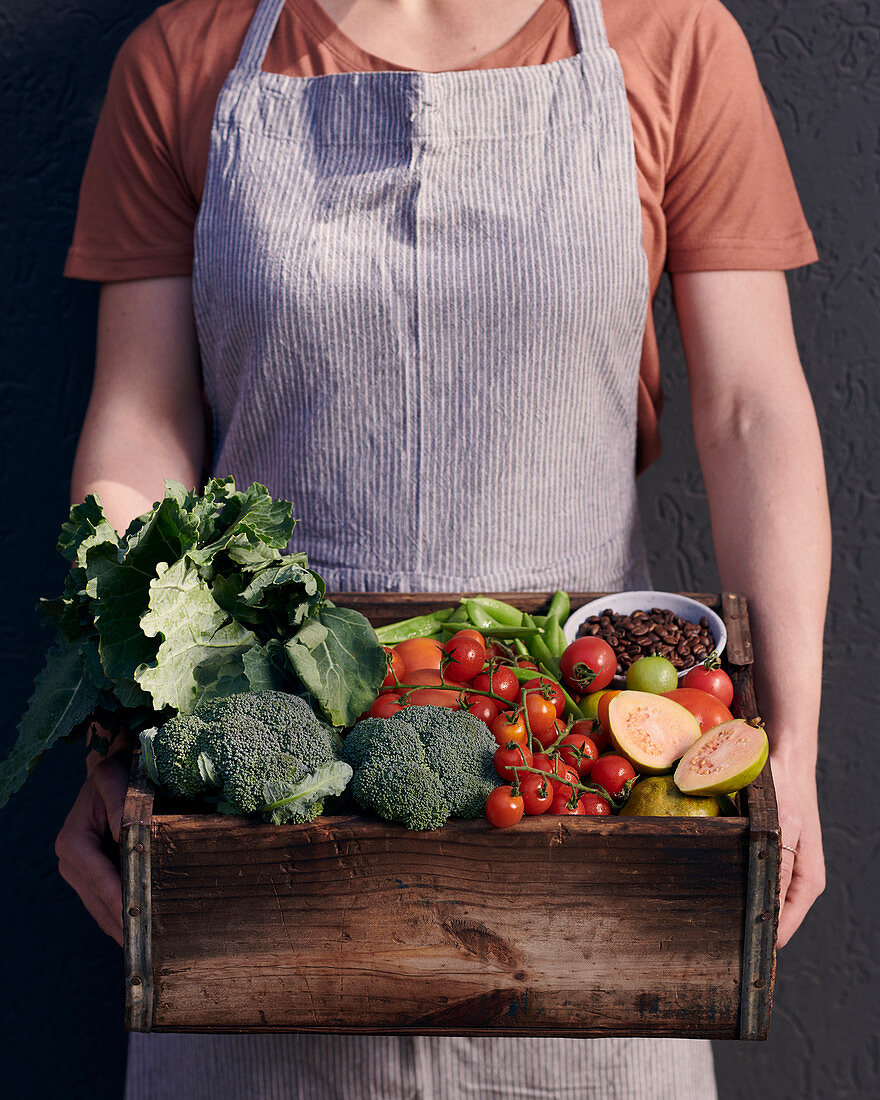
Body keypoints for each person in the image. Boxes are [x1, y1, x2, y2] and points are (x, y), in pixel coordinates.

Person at [55, 0, 830, 1097]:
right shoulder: (181, 58)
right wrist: (117, 716)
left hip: (575, 794)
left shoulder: (676, 40)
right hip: (263, 825)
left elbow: (752, 412)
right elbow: (140, 428)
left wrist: (789, 753)